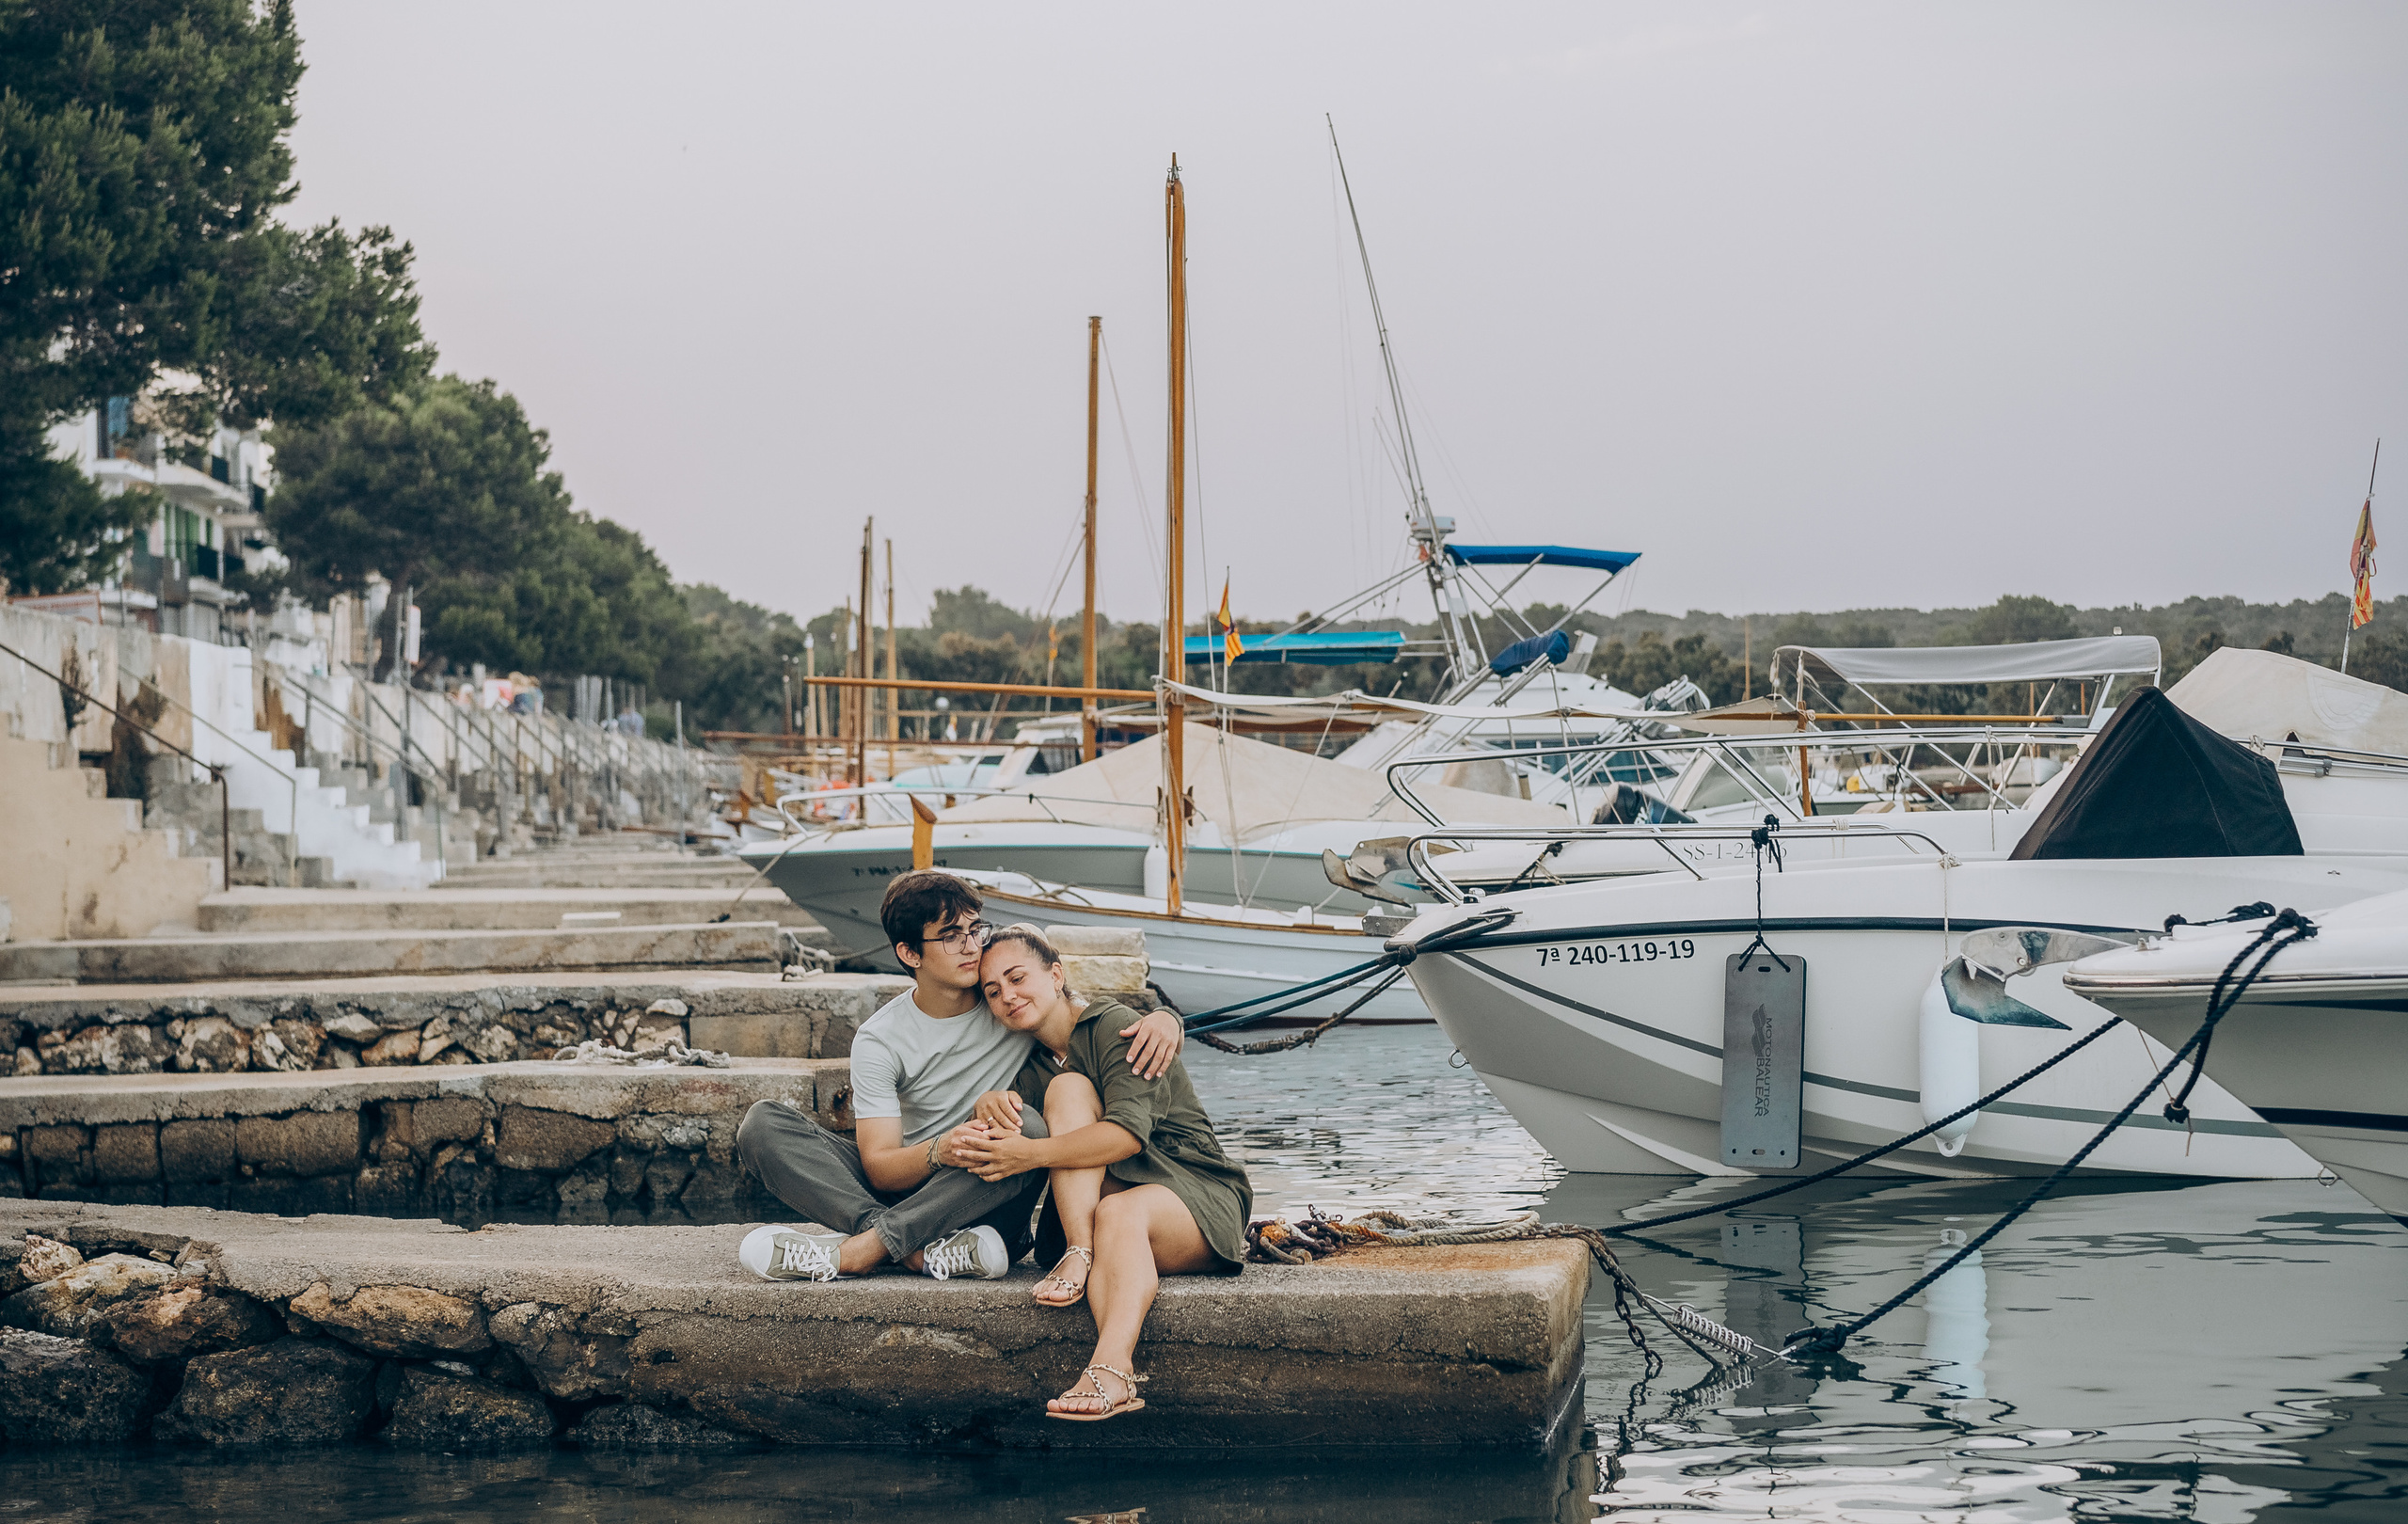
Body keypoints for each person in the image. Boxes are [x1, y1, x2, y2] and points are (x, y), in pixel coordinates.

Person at [732, 872, 1184, 1283]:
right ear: (909, 953)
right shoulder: (880, 1039)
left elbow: (1070, 1010)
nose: (971, 945)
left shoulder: (1007, 1002)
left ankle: (864, 1250)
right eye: (950, 936)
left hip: (989, 1193)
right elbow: (881, 1167)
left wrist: (1167, 1018)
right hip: (919, 1185)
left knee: (1023, 1126)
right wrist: (938, 1149)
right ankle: (907, 1248)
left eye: (974, 929)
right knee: (763, 1125)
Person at [958, 926, 1252, 1423]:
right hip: (1109, 1205)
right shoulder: (1032, 1065)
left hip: (1193, 1190)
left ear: (1055, 975)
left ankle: (1112, 1367)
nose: (1008, 996)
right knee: (1069, 1093)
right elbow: (1012, 1132)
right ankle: (1079, 1248)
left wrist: (1029, 1153)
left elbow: (1125, 1139)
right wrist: (988, 1103)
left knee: (1117, 1209)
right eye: (993, 991)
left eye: (1016, 978)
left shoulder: (1117, 1027)